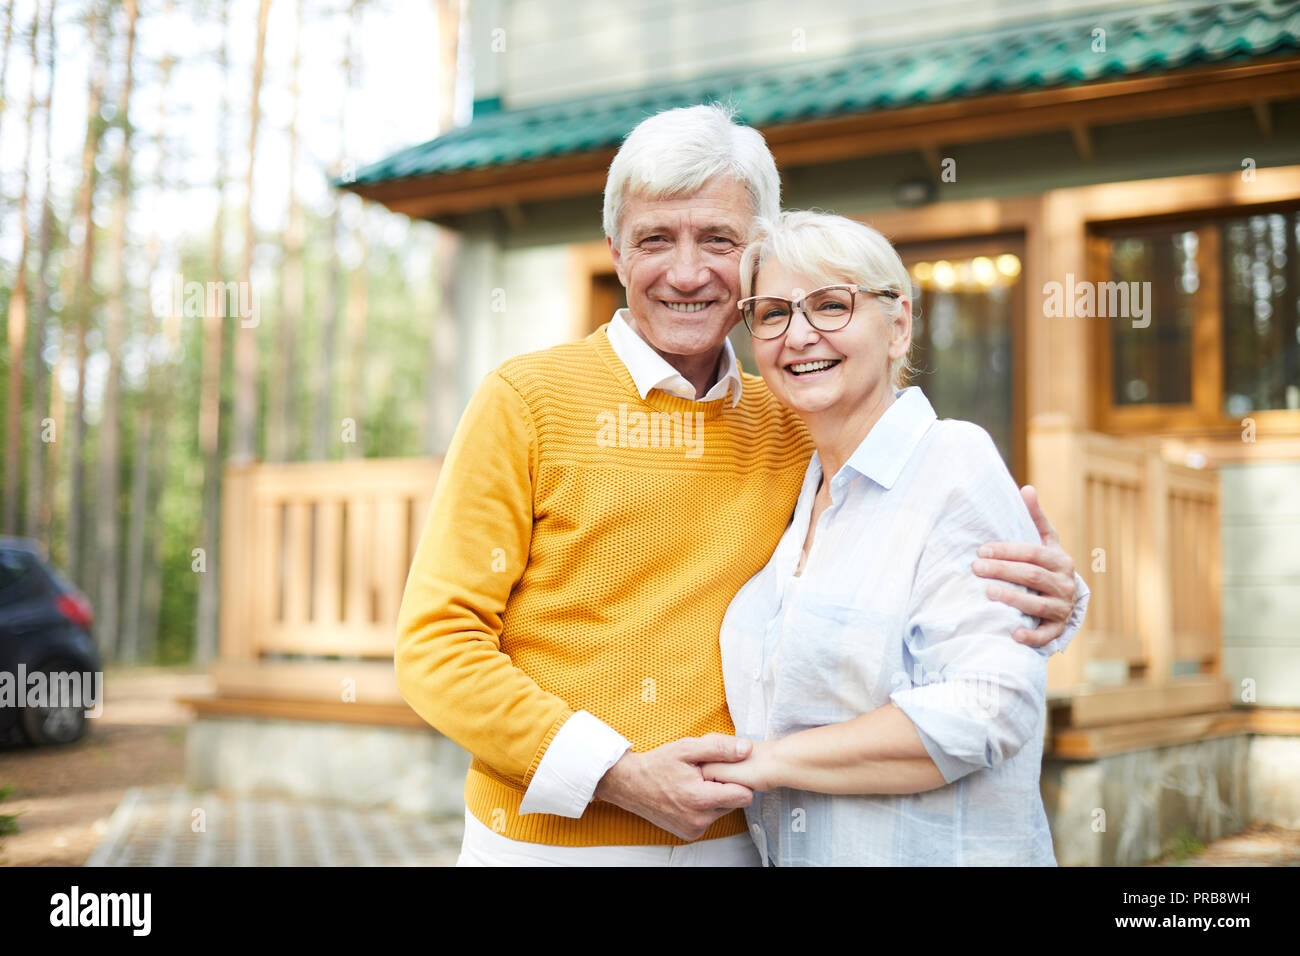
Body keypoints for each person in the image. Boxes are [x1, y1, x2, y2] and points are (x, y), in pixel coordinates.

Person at [393, 103, 1088, 866]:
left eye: (718, 240)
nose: (686, 273)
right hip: (551, 844)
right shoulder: (525, 400)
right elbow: (438, 646)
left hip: (744, 840)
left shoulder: (796, 416)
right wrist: (614, 775)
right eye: (655, 238)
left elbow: (920, 528)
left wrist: (1055, 596)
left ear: (757, 252)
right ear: (617, 254)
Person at [702, 210, 1064, 865]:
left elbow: (991, 705)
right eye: (774, 313)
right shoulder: (795, 486)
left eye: (831, 305)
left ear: (898, 327)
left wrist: (768, 761)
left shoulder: (954, 462)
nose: (799, 334)